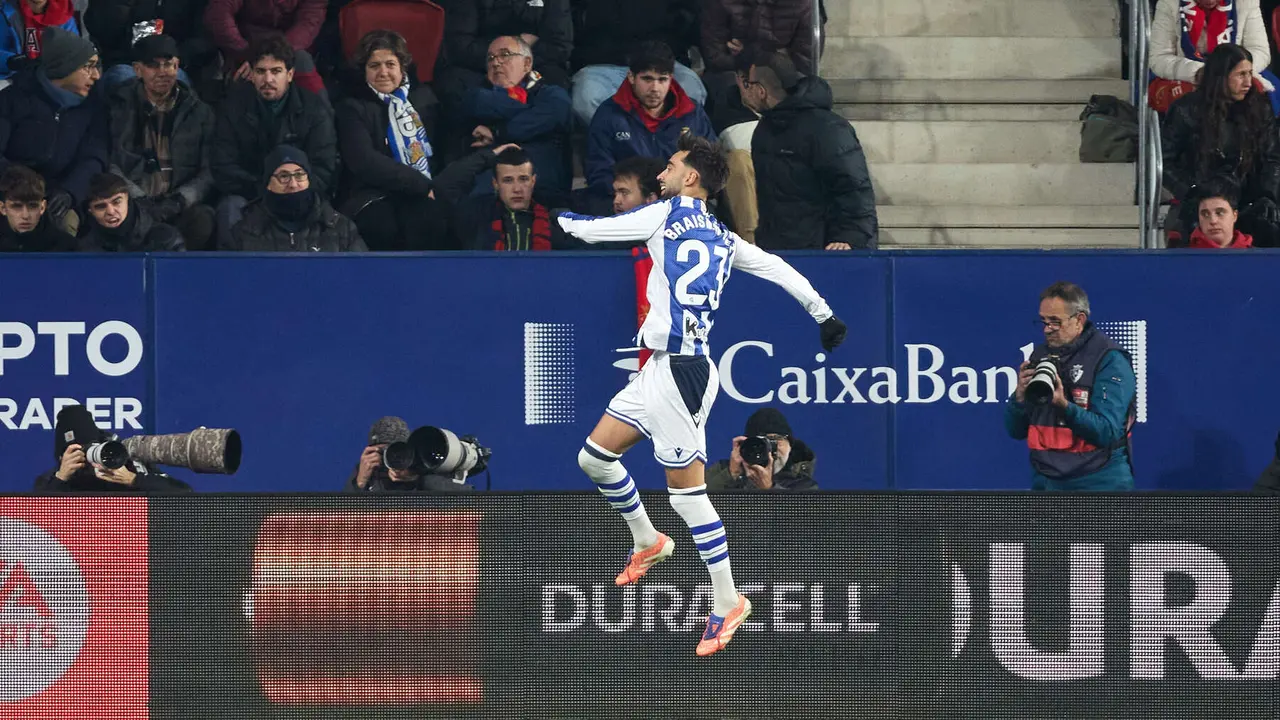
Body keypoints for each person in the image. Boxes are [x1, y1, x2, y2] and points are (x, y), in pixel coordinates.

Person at [557, 133, 848, 656]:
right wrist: (823, 313)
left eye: (670, 166)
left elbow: (592, 232)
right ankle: (648, 541)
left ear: (690, 178)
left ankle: (727, 599)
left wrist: (563, 219)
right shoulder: (724, 236)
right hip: (662, 369)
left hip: (681, 372)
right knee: (594, 458)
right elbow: (779, 269)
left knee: (689, 496)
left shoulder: (664, 213)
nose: (661, 173)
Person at [1005, 282, 1137, 492]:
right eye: (1044, 321)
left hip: (1099, 484)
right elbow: (1015, 430)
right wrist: (1019, 398)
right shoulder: (1040, 356)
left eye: (1055, 322)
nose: (1047, 329)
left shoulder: (1110, 360)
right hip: (1046, 483)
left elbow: (1107, 432)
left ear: (1079, 320)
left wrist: (1063, 406)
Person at [740, 48, 877, 250]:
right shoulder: (764, 130)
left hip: (827, 250)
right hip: (781, 251)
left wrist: (849, 237)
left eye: (747, 84)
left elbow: (854, 188)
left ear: (761, 91)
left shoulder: (828, 128)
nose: (744, 90)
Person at [211, 35, 336, 247]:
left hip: (300, 193)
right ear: (251, 74)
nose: (267, 79)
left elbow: (324, 168)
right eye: (260, 71)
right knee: (230, 208)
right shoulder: (232, 107)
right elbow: (222, 166)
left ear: (290, 74)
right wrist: (266, 189)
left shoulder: (314, 109)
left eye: (276, 71)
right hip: (249, 195)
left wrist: (290, 188)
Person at [335, 29, 450, 251]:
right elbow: (363, 160)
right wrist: (419, 184)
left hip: (423, 190)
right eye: (374, 65)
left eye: (390, 64)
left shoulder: (424, 99)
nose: (383, 72)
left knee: (431, 222)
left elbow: (441, 148)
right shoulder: (351, 106)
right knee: (381, 226)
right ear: (364, 70)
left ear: (402, 67)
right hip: (370, 193)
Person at [107, 33, 217, 249]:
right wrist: (138, 198)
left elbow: (209, 169)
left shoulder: (200, 112)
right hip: (132, 204)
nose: (163, 73)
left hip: (181, 205)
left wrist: (182, 199)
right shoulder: (117, 106)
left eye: (169, 65)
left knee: (204, 219)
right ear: (137, 70)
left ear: (177, 67)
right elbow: (110, 162)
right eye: (153, 66)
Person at [1163, 43, 1280, 245]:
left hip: (1249, 202)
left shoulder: (1260, 108)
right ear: (1221, 77)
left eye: (1250, 74)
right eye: (1240, 74)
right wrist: (1191, 191)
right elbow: (1164, 161)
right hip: (1199, 203)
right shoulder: (1185, 109)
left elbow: (1272, 159)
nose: (1248, 82)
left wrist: (1267, 195)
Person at [0, 26, 108, 236]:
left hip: (62, 194)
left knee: (64, 226)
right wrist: (20, 183)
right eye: (88, 67)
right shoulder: (13, 99)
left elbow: (94, 157)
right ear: (64, 68)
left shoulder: (94, 107)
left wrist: (70, 192)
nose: (96, 76)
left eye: (97, 67)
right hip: (10, 193)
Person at [585, 41, 714, 212]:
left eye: (662, 80)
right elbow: (598, 171)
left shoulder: (691, 113)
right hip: (629, 205)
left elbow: (710, 163)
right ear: (631, 77)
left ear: (671, 78)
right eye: (647, 79)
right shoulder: (609, 115)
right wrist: (636, 196)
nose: (655, 88)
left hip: (680, 203)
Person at [460, 35, 572, 202]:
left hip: (542, 183)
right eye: (490, 58)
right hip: (489, 186)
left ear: (527, 64)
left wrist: (496, 132)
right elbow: (477, 102)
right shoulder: (477, 97)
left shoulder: (551, 94)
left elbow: (554, 113)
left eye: (505, 55)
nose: (496, 63)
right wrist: (530, 109)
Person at [568, 0, 704, 126]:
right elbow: (567, 20)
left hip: (661, 60)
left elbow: (690, 19)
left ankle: (661, 144)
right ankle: (629, 142)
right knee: (586, 98)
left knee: (692, 89)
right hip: (602, 64)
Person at [225, 144, 366, 252]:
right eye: (284, 176)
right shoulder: (243, 232)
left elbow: (361, 278)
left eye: (299, 175)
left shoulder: (341, 228)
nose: (293, 184)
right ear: (268, 184)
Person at [701, 0, 814, 131]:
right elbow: (713, 56)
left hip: (780, 73)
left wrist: (748, 52)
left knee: (797, 87)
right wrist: (776, 54)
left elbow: (805, 61)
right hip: (734, 73)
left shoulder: (802, 4)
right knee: (722, 85)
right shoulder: (722, 3)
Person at [1148, 0, 1277, 113]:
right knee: (1187, 99)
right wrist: (1202, 72)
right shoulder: (1169, 3)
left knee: (1263, 95)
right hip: (1189, 73)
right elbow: (1159, 57)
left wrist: (1232, 69)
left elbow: (1260, 51)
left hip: (1234, 70)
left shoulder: (1246, 2)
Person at [33, 404, 192, 493]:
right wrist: (60, 479)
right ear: (62, 457)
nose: (84, 457)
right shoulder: (52, 480)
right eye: (74, 452)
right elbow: (32, 524)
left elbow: (186, 496)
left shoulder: (123, 467)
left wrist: (133, 480)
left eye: (88, 449)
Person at [203, 0, 328, 97]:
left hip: (291, 52)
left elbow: (308, 24)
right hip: (244, 50)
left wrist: (275, 55)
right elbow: (219, 13)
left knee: (311, 88)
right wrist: (246, 54)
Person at [453, 145, 558, 251]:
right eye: (508, 180)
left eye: (523, 179)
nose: (517, 189)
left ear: (533, 181)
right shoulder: (475, 217)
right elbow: (444, 190)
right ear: (495, 184)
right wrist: (487, 156)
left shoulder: (556, 221)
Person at [346, 416, 477, 492]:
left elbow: (470, 498)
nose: (390, 458)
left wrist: (416, 479)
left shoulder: (424, 470)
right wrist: (359, 482)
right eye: (381, 452)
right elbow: (338, 521)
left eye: (396, 450)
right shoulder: (366, 473)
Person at [705, 408, 818, 491]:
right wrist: (731, 475)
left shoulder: (804, 485)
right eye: (762, 443)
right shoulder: (723, 471)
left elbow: (801, 521)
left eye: (775, 440)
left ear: (790, 445)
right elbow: (696, 505)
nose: (769, 450)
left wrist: (769, 489)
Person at [78, 172, 186, 251]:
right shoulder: (85, 250)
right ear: (90, 211)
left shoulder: (167, 240)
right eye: (101, 207)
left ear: (128, 200)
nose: (110, 211)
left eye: (117, 202)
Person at [0, 0, 81, 86]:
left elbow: (75, 54)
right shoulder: (6, 13)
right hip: (14, 78)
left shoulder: (64, 15)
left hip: (54, 79)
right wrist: (16, 61)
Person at [0, 163, 76, 251]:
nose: (25, 216)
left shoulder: (66, 247)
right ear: (3, 209)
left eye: (33, 206)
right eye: (17, 207)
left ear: (43, 207)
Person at [1185, 178, 1254, 248]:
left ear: (1234, 215)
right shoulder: (1182, 256)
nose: (1213, 221)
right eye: (1205, 214)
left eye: (1220, 213)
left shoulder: (1257, 257)